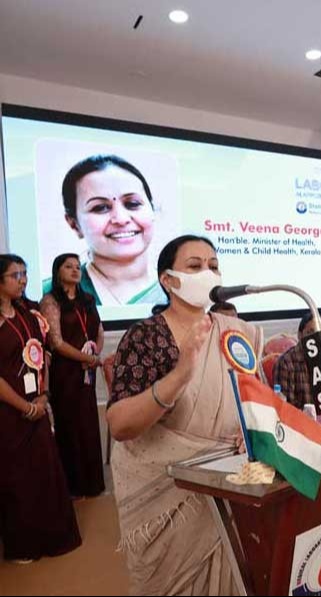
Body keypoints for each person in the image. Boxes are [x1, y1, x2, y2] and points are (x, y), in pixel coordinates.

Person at [106, 234, 263, 596]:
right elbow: (120, 424)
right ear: (168, 280)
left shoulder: (233, 333)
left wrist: (252, 430)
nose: (208, 273)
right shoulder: (146, 337)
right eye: (195, 266)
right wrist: (179, 375)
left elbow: (256, 400)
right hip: (170, 496)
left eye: (213, 266)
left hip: (231, 483)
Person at [0, 254, 81, 563]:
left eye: (24, 273)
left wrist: (44, 396)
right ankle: (24, 546)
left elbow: (41, 357)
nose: (23, 280)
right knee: (17, 478)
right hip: (10, 411)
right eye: (15, 275)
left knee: (45, 472)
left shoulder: (28, 313)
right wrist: (24, 405)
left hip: (37, 405)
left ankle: (54, 538)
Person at [45, 154, 165, 306]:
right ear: (74, 224)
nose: (121, 219)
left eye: (132, 204)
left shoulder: (179, 290)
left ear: (153, 210)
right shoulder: (49, 293)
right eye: (100, 207)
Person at [40, 254, 105, 498]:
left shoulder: (88, 299)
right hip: (65, 372)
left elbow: (99, 330)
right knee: (70, 426)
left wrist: (95, 354)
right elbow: (56, 342)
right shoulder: (50, 301)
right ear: (58, 272)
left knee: (88, 425)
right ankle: (73, 486)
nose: (75, 270)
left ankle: (93, 484)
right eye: (68, 267)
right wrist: (86, 358)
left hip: (87, 371)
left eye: (78, 266)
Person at [273, 313, 321, 409]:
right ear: (300, 335)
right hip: (300, 417)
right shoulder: (286, 362)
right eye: (310, 332)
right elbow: (286, 408)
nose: (316, 338)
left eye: (320, 333)